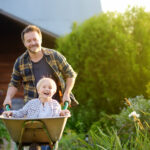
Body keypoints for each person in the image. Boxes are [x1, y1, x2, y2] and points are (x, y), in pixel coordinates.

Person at [3, 25, 78, 108]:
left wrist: (67, 94)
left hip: (55, 108)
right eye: (29, 41)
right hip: (31, 108)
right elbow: (14, 83)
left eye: (35, 39)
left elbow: (70, 74)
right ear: (24, 43)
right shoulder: (20, 62)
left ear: (41, 39)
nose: (33, 43)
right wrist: (8, 98)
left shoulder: (54, 55)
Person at [2, 77, 70, 118]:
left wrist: (62, 113)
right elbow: (21, 113)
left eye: (50, 88)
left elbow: (58, 116)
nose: (47, 89)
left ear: (54, 92)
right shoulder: (31, 103)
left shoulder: (55, 104)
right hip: (33, 130)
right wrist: (11, 113)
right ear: (38, 90)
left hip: (50, 131)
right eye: (44, 87)